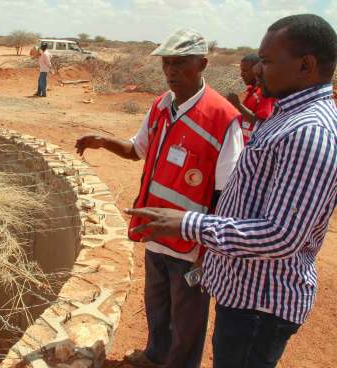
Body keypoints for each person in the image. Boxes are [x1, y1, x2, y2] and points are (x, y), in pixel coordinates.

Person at [125, 14, 337, 368]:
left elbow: (281, 235)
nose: (256, 71)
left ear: (306, 65)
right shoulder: (287, 117)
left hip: (261, 305)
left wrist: (190, 225)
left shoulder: (309, 132)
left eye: (267, 62)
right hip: (245, 290)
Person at [75, 29, 244, 368]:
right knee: (157, 307)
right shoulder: (161, 106)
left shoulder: (223, 118)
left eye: (180, 63)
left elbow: (228, 193)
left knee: (187, 321)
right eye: (167, 63)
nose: (171, 71)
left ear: (202, 64)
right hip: (155, 233)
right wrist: (104, 141)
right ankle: (154, 357)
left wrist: (207, 250)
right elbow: (137, 150)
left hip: (192, 241)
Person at [227, 54, 276, 143]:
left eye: (245, 71)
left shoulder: (264, 93)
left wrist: (237, 105)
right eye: (241, 71)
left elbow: (262, 123)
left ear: (256, 69)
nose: (241, 74)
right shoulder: (251, 90)